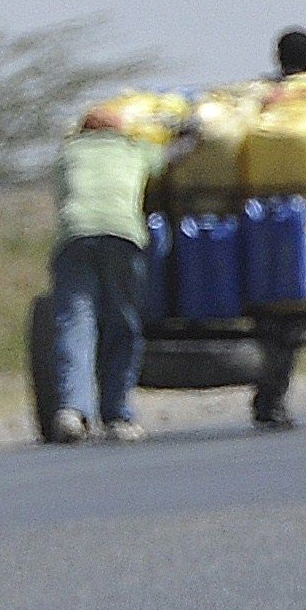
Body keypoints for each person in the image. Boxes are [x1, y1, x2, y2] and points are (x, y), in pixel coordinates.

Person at [48, 108, 183, 443]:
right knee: (122, 324)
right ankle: (117, 415)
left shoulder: (68, 153)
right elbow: (172, 155)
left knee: (76, 324)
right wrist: (190, 133)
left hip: (75, 235)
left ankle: (72, 411)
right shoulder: (134, 149)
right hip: (122, 236)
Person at [251, 26, 306, 429]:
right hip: (298, 226)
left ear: (277, 57)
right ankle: (271, 400)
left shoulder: (256, 99)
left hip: (249, 221)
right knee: (289, 316)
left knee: (271, 316)